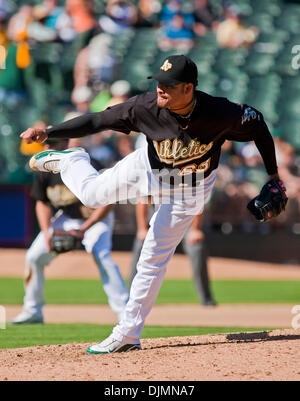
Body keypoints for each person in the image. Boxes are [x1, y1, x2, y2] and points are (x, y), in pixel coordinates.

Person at [20, 54, 287, 354]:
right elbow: (97, 120)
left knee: (153, 258)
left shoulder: (218, 111)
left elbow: (258, 123)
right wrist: (52, 132)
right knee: (92, 195)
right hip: (148, 169)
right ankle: (73, 159)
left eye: (169, 85)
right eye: (159, 82)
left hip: (191, 189)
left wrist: (274, 175)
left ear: (188, 88)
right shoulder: (144, 107)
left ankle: (128, 333)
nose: (160, 88)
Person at [10, 138, 129, 325]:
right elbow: (42, 203)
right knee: (34, 257)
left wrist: (84, 229)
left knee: (102, 255)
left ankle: (125, 313)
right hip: (66, 218)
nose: (46, 148)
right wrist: (47, 232)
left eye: (51, 144)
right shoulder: (44, 169)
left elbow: (109, 201)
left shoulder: (86, 163)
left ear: (64, 144)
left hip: (96, 218)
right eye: (45, 145)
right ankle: (32, 311)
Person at [129, 199, 216, 306]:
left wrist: (196, 229)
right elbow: (142, 200)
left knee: (197, 247)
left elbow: (196, 201)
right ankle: (130, 299)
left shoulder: (184, 182)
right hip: (157, 223)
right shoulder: (153, 182)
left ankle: (206, 299)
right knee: (141, 245)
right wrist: (142, 228)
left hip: (184, 223)